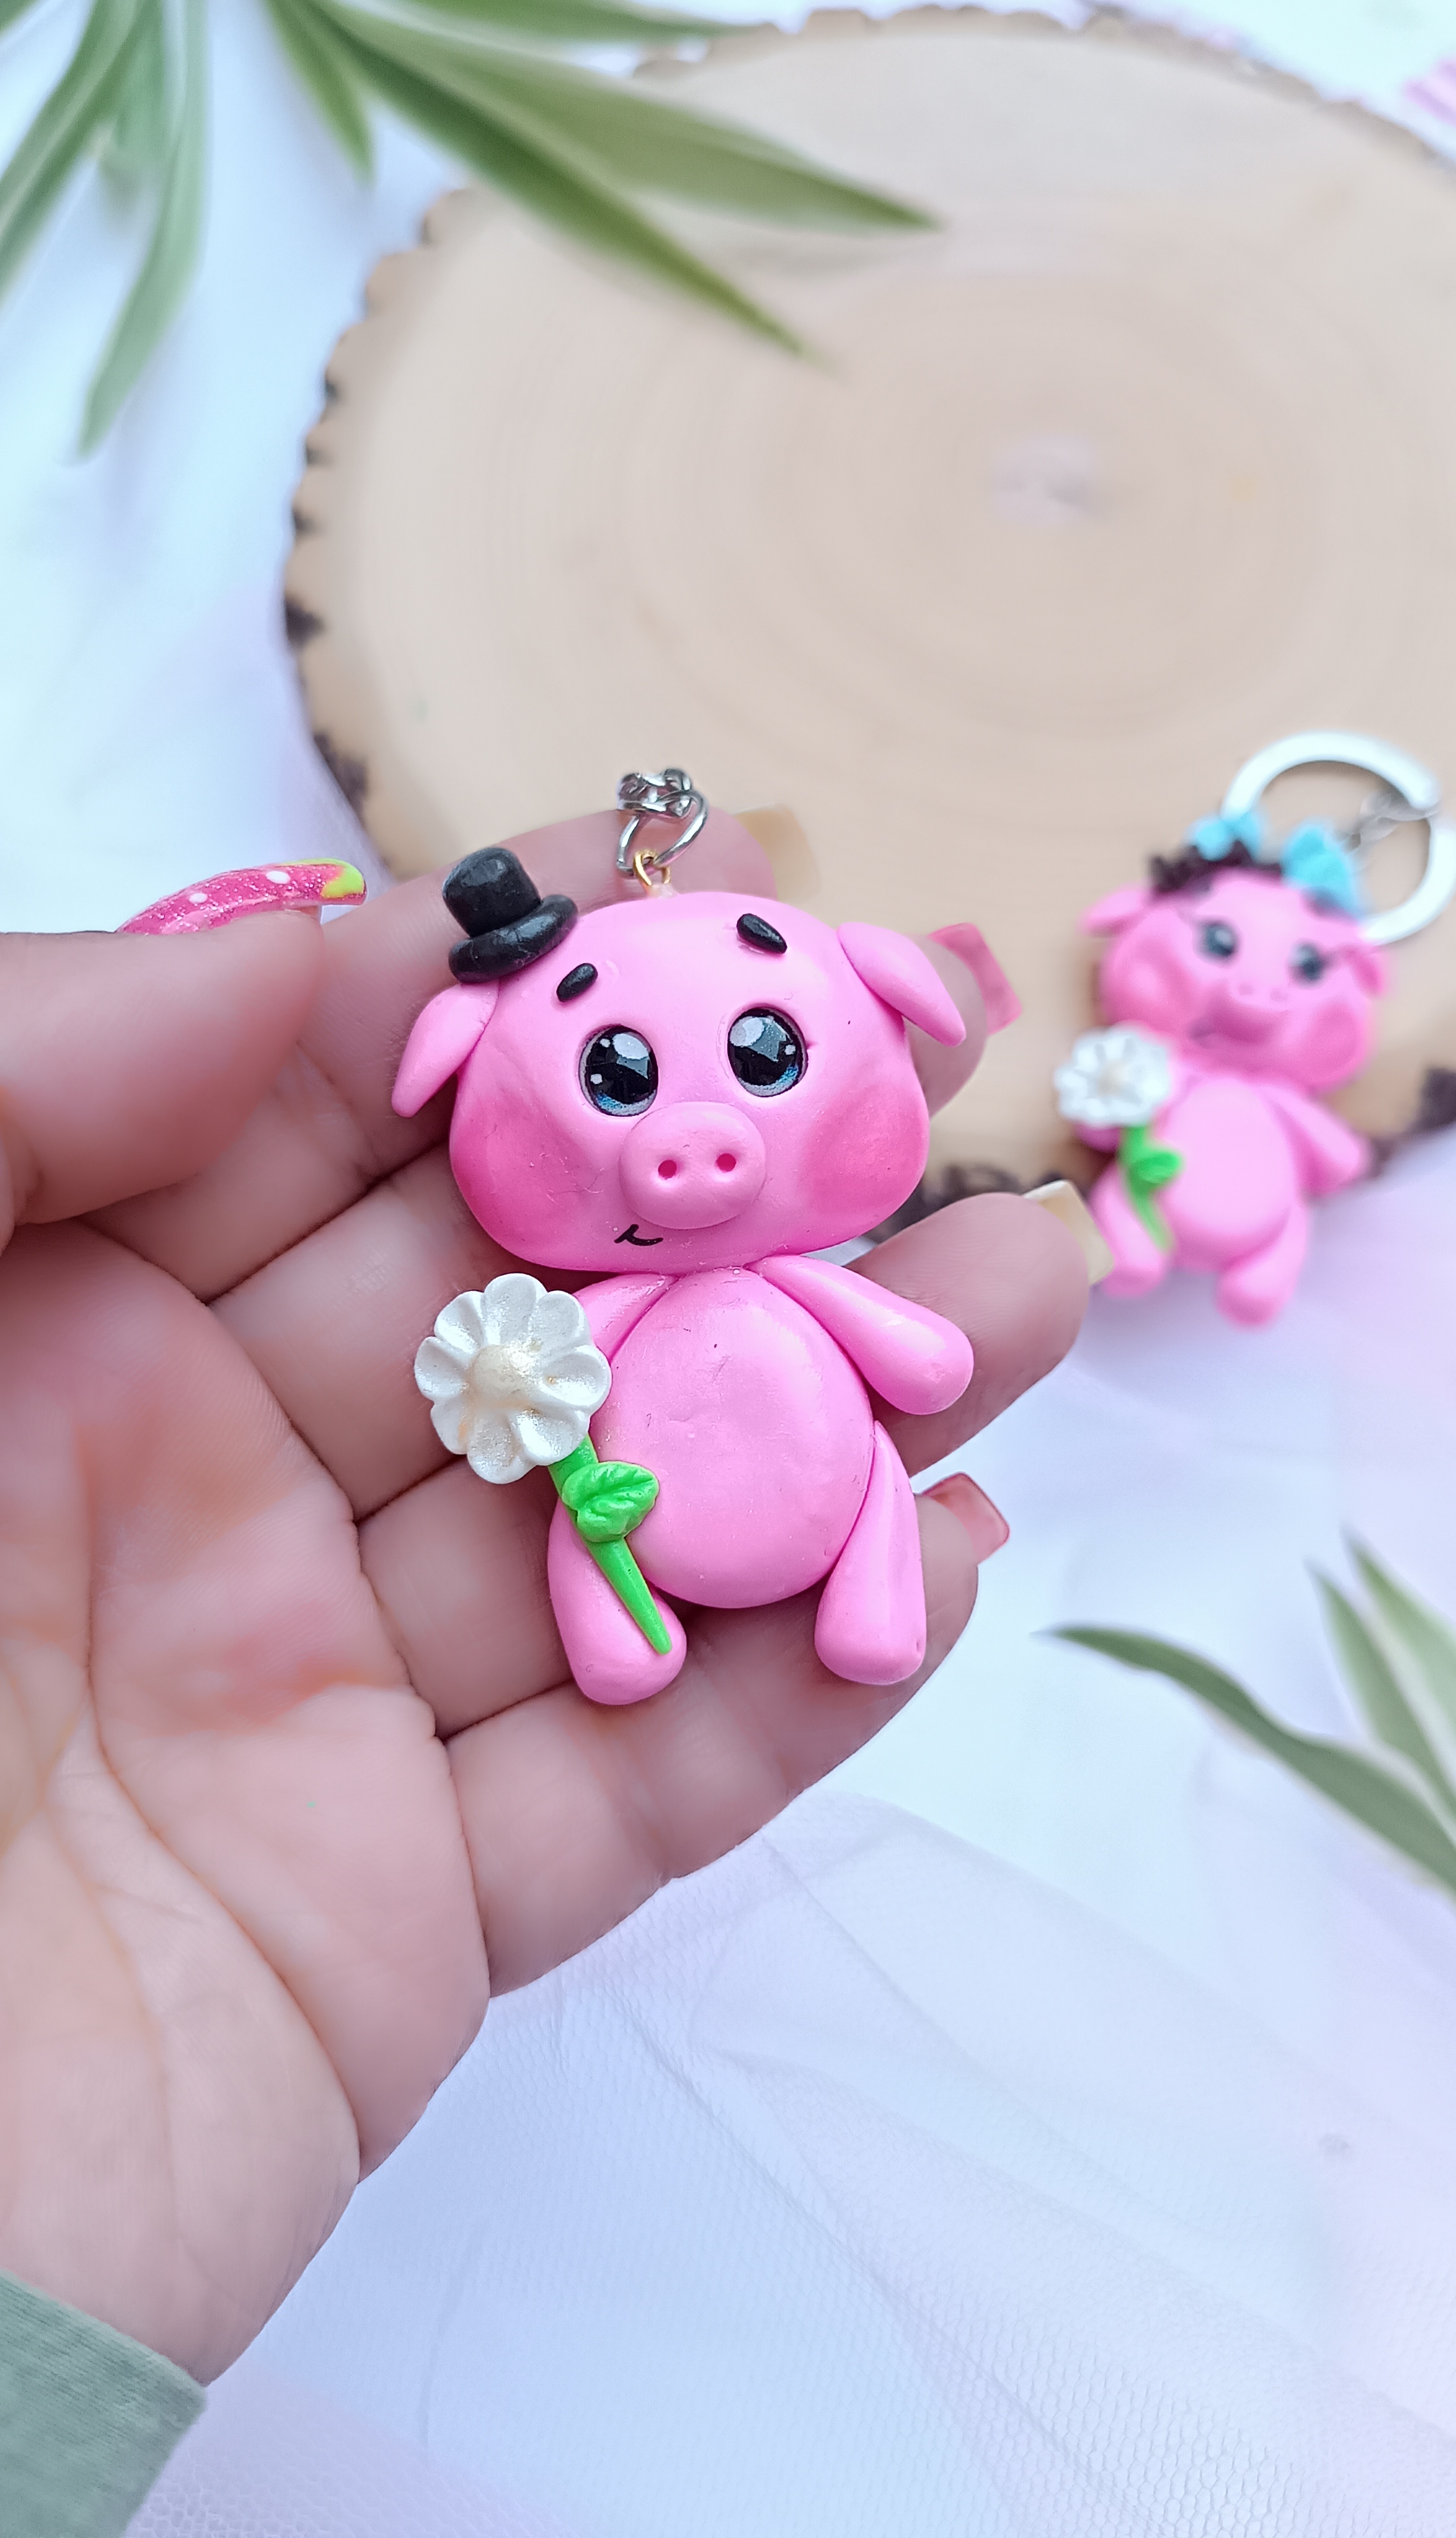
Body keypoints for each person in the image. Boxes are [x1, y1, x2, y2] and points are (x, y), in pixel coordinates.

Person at [0, 809, 1086, 2535]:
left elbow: (921, 1356)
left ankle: (847, 1593)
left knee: (867, 1513)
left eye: (763, 1057)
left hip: (816, 1470)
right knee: (588, 1519)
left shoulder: (761, 1289)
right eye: (620, 1082)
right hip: (650, 1481)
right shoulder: (587, 1327)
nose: (693, 1147)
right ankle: (638, 1621)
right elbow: (615, 1406)